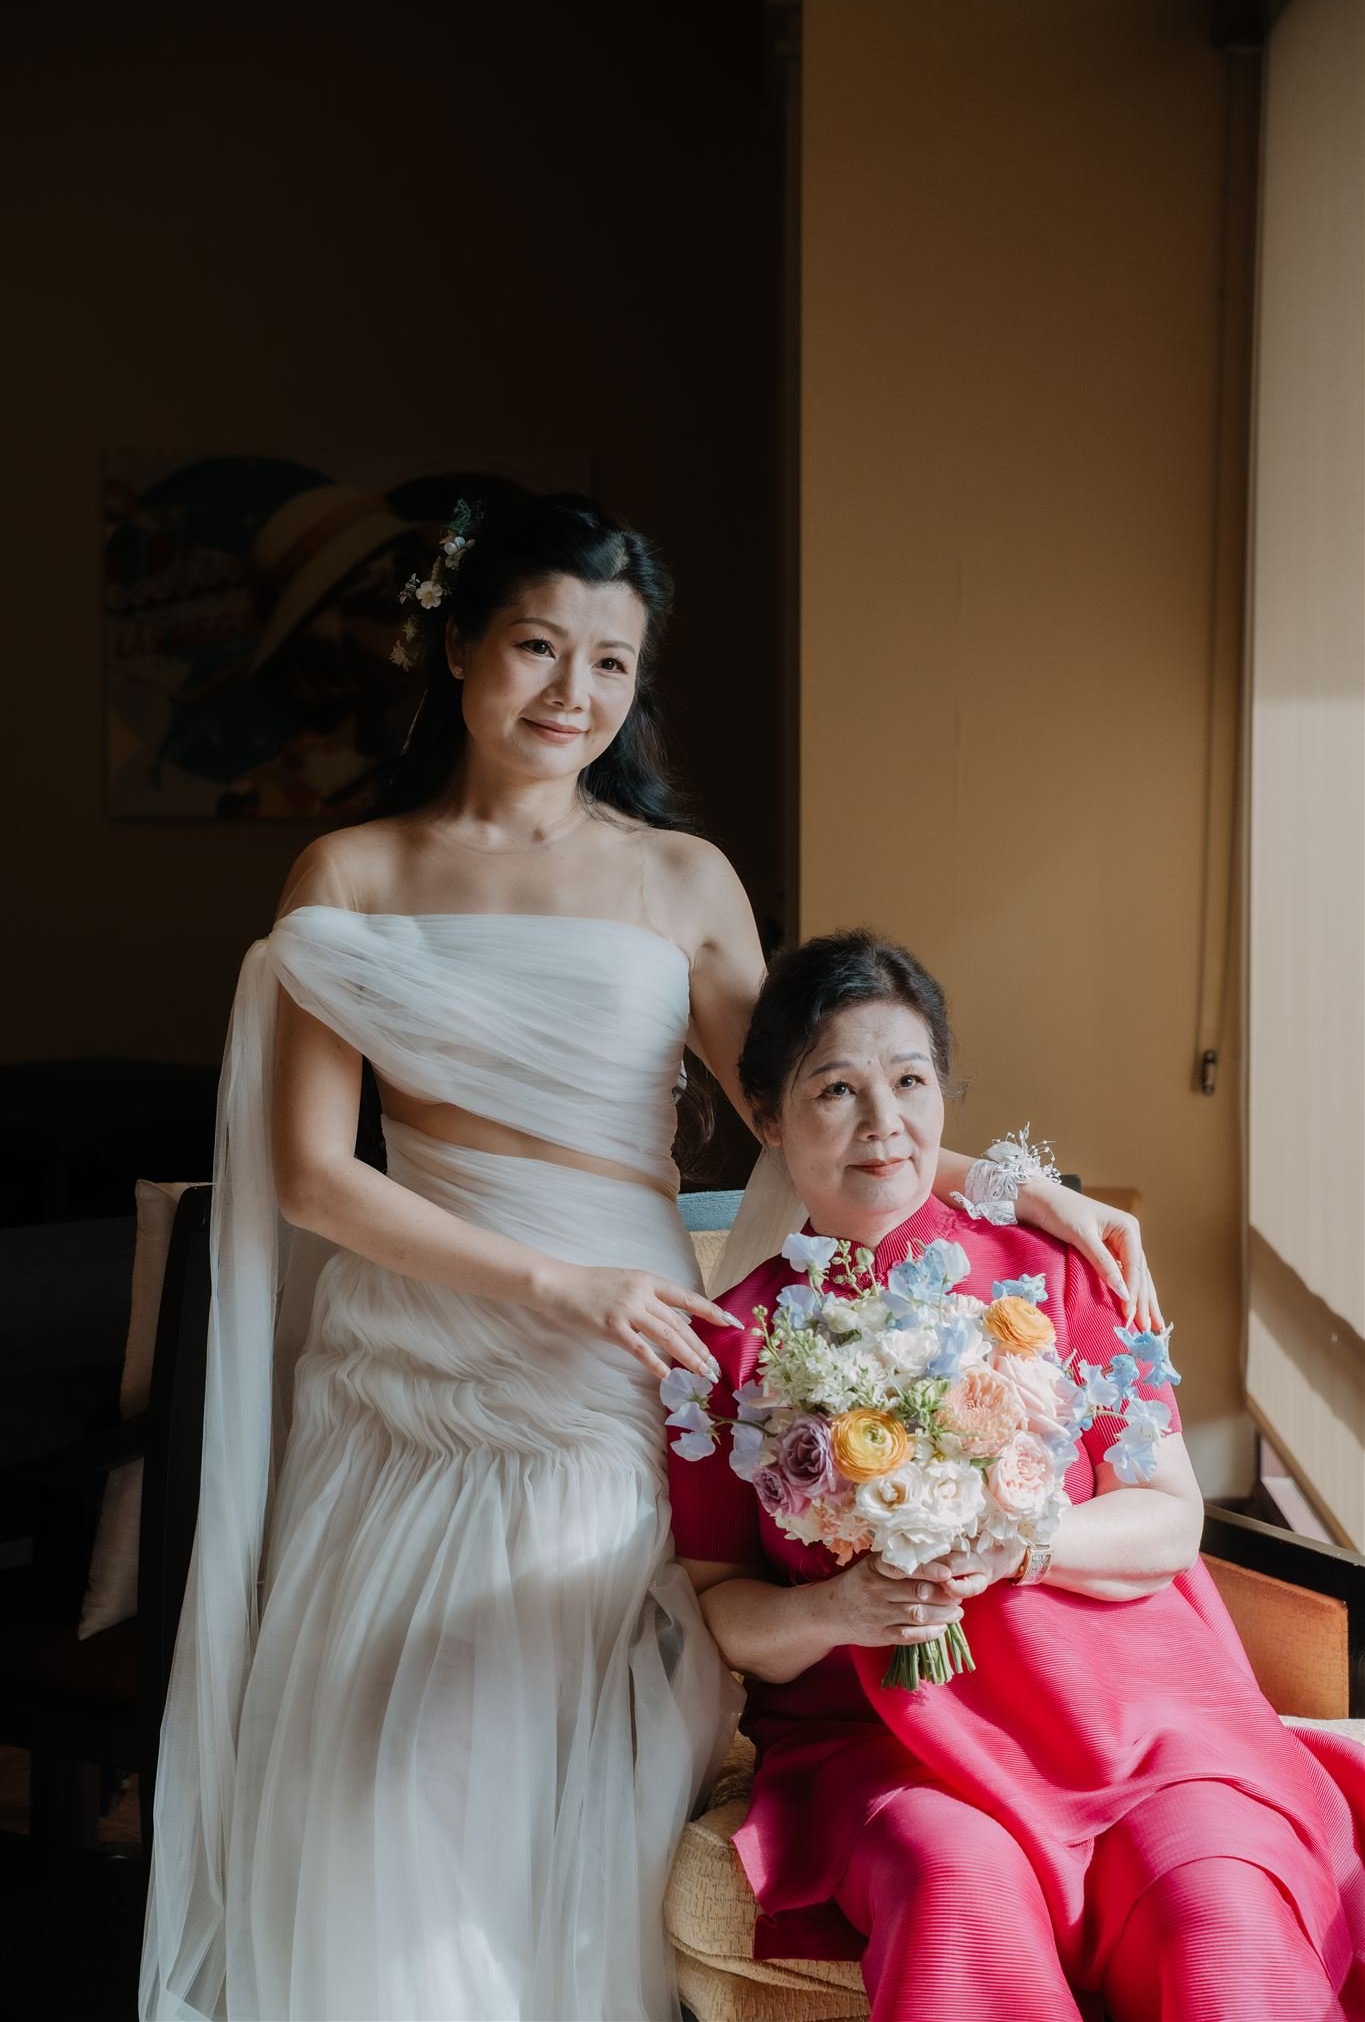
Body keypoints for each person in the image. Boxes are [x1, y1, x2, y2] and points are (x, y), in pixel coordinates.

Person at [140, 495, 1163, 2022]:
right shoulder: (347, 878)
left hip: (628, 1368)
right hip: (425, 1352)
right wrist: (556, 1288)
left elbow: (805, 1106)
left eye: (611, 663)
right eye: (538, 647)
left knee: (591, 1712)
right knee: (395, 1742)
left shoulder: (678, 880)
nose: (573, 694)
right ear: (458, 651)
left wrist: (1022, 1185)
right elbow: (306, 1175)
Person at [669, 929, 1365, 2022]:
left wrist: (1027, 1539)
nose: (883, 1122)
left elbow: (1170, 1518)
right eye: (835, 1089)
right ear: (767, 1116)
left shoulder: (1060, 1269)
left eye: (909, 1080)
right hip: (890, 1749)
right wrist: (841, 1605)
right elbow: (724, 1611)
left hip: (1137, 1721)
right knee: (956, 1887)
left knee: (1220, 1907)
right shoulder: (734, 1350)